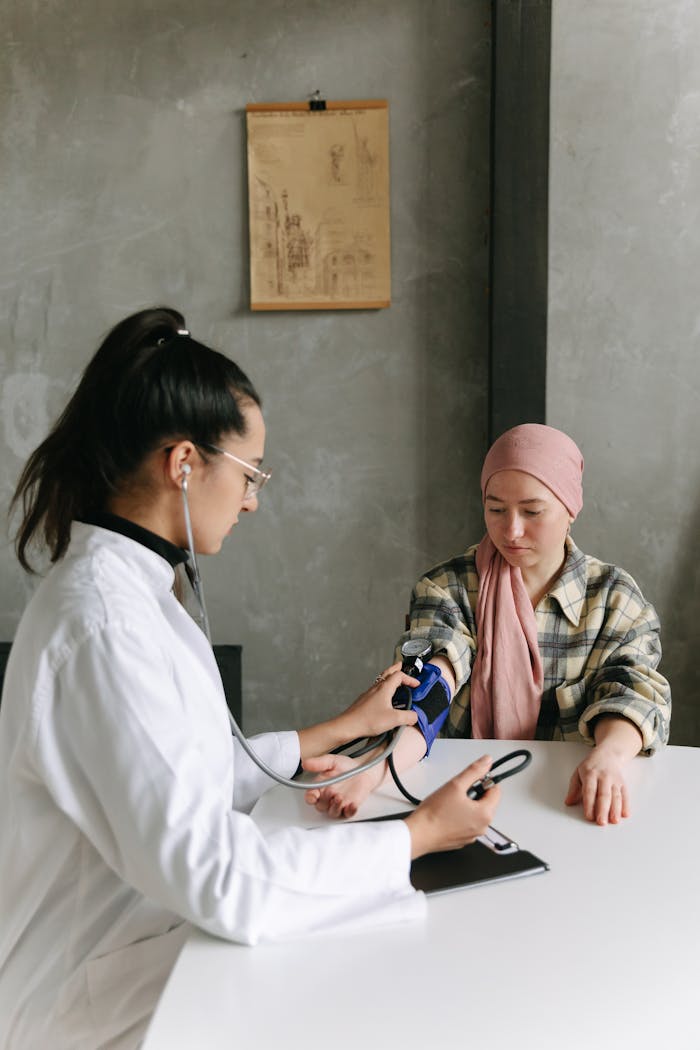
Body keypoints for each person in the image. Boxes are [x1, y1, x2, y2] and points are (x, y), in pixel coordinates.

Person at [0, 308, 501, 1050]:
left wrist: (330, 732)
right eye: (250, 474)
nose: (253, 499)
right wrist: (417, 836)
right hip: (84, 998)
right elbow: (215, 874)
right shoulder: (104, 624)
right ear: (184, 464)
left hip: (142, 940)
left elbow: (180, 773)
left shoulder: (133, 592)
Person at [306, 423, 671, 827]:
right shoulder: (448, 587)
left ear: (570, 508)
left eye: (532, 511)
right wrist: (373, 771)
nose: (511, 530)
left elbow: (632, 688)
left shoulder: (614, 598)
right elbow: (429, 686)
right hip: (460, 800)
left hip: (570, 804)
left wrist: (609, 756)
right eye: (496, 509)